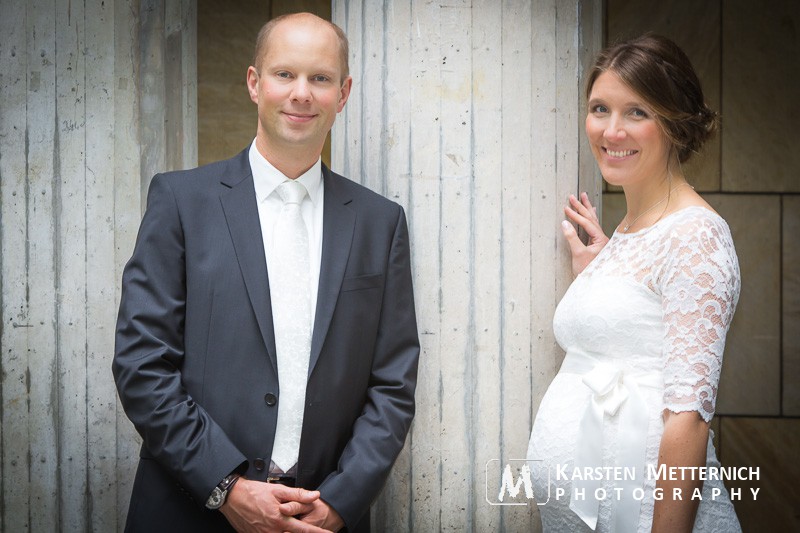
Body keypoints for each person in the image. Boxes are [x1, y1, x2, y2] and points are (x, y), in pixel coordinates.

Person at [113, 12, 420, 533]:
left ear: (343, 94)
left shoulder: (380, 222)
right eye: (285, 74)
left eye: (320, 78)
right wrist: (225, 486)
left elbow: (392, 383)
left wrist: (340, 501)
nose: (301, 93)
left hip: (321, 519)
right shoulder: (181, 201)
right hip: (189, 508)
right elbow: (143, 362)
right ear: (255, 83)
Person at [527, 34, 741, 532]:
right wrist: (604, 275)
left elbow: (688, 417)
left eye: (637, 112)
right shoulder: (628, 229)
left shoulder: (697, 235)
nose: (612, 130)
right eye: (600, 108)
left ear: (675, 121)